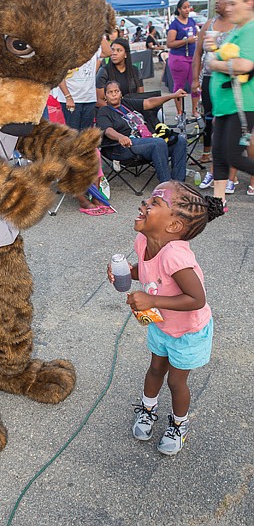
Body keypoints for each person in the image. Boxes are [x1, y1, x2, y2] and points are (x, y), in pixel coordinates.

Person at [108, 181, 224, 455]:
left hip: (187, 331)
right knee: (155, 369)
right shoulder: (143, 241)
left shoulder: (176, 256)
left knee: (176, 381)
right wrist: (127, 273)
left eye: (154, 204)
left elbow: (197, 298)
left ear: (173, 226)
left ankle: (178, 425)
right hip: (161, 324)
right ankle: (148, 410)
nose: (143, 205)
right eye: (148, 200)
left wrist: (151, 300)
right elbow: (148, 272)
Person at [208, 0, 254, 208]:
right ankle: (218, 201)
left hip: (243, 103)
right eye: (227, 3)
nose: (228, 8)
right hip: (226, 103)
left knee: (233, 155)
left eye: (233, 3)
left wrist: (215, 63)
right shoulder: (238, 29)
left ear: (249, 3)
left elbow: (245, 64)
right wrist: (214, 51)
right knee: (219, 152)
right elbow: (228, 57)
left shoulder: (251, 29)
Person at [96, 81, 187, 183]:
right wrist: (120, 137)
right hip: (124, 146)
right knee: (159, 143)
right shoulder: (104, 111)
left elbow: (149, 102)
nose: (113, 94)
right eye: (110, 92)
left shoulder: (127, 103)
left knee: (179, 140)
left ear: (121, 93)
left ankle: (179, 183)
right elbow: (107, 130)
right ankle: (166, 185)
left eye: (116, 91)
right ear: (105, 96)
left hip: (145, 142)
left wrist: (173, 96)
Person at [191, 0, 233, 168]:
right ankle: (207, 151)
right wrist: (194, 80)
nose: (217, 2)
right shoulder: (209, 25)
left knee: (227, 119)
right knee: (208, 115)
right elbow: (197, 54)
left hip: (229, 80)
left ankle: (228, 156)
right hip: (208, 78)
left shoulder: (238, 26)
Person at [57, 35, 111, 130]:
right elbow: (59, 76)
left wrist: (100, 32)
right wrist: (68, 97)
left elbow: (108, 52)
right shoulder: (65, 49)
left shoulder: (92, 48)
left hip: (89, 99)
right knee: (73, 135)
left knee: (86, 136)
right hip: (72, 100)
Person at [167, 0, 199, 117]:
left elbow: (197, 35)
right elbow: (170, 43)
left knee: (195, 84)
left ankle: (194, 110)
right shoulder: (175, 24)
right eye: (184, 7)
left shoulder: (191, 21)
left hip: (192, 56)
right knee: (179, 85)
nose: (187, 10)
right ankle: (179, 112)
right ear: (179, 9)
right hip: (179, 58)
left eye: (188, 7)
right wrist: (186, 41)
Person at [96, 38, 144, 108]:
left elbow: (141, 95)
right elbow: (99, 100)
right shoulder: (104, 71)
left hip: (133, 108)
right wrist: (118, 111)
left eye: (119, 50)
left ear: (125, 54)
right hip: (111, 110)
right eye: (112, 50)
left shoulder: (135, 70)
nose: (114, 53)